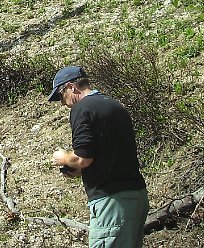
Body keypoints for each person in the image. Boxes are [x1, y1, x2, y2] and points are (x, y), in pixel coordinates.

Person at [48, 65, 149, 247]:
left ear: (72, 87)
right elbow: (109, 155)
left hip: (112, 202)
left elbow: (82, 159)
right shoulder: (114, 105)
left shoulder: (82, 109)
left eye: (61, 95)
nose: (63, 103)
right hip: (137, 196)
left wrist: (63, 158)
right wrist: (79, 172)